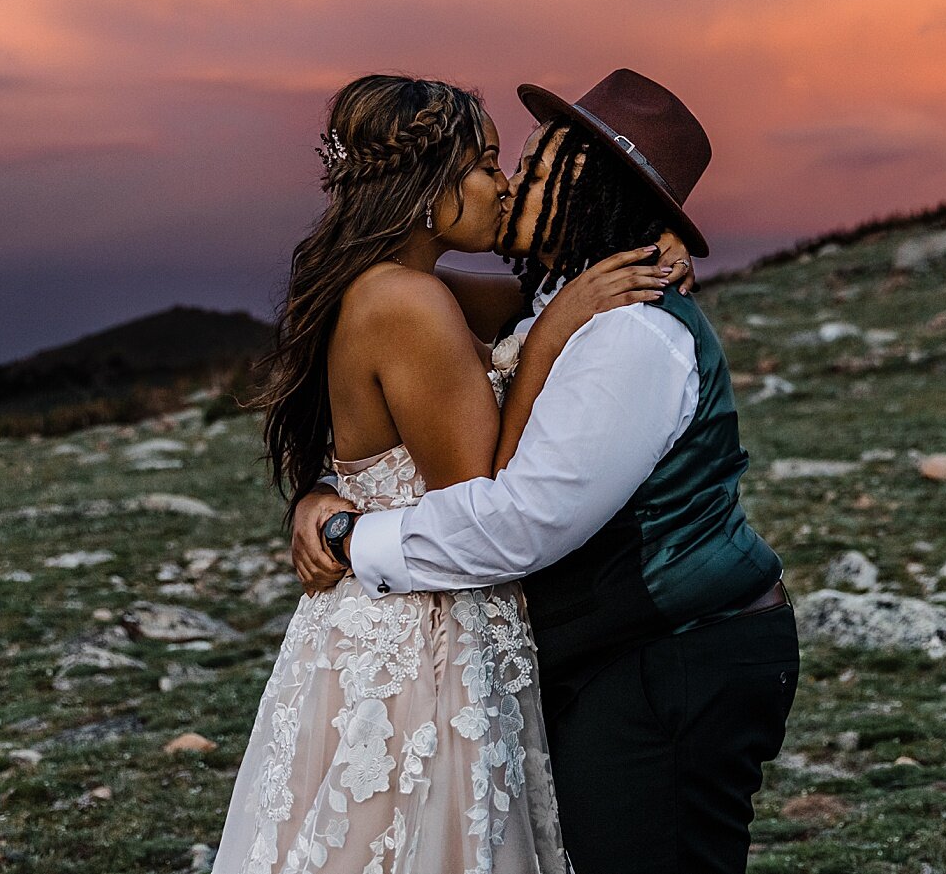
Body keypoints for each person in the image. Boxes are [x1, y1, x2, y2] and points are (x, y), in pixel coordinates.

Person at [293, 69, 798, 874]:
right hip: (563, 649)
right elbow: (398, 389)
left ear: (585, 185)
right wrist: (323, 490)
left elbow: (516, 519)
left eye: (530, 165)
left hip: (678, 655)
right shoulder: (539, 298)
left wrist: (353, 531)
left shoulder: (624, 329)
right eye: (497, 164)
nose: (511, 181)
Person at [209, 72, 691, 874]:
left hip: (410, 610)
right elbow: (483, 487)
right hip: (421, 631)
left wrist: (647, 243)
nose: (503, 186)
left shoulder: (412, 287)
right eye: (487, 164)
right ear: (431, 187)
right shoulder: (406, 303)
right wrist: (554, 336)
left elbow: (533, 291)